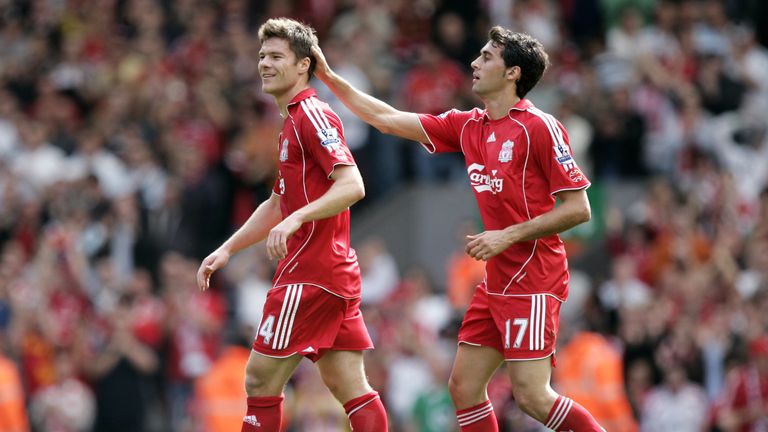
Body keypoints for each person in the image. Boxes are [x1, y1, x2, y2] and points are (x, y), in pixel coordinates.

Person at [313, 26, 605, 431]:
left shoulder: (539, 127)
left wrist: (507, 235)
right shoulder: (468, 125)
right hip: (497, 281)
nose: (474, 62)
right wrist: (328, 76)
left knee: (532, 396)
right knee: (464, 387)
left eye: (486, 57)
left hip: (535, 278)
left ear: (512, 73)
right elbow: (387, 119)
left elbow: (579, 208)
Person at [196, 18, 388, 432]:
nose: (265, 63)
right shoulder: (290, 124)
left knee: (259, 379)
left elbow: (352, 184)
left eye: (276, 56)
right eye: (262, 56)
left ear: (304, 64)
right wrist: (228, 248)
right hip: (330, 272)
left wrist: (298, 217)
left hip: (310, 272)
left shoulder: (312, 116)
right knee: (348, 384)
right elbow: (277, 204)